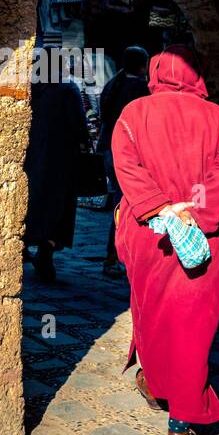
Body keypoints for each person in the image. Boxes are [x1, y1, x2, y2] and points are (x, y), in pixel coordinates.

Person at [111, 45, 219, 435]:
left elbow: (126, 165)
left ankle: (155, 383)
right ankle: (179, 428)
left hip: (149, 233)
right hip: (200, 238)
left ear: (155, 73)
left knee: (150, 311)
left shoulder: (133, 114)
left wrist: (160, 208)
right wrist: (194, 214)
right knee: (193, 327)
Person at [24, 70, 91, 284]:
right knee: (57, 206)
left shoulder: (30, 90)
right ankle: (46, 252)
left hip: (33, 156)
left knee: (32, 201)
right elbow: (79, 123)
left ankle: (23, 245)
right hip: (62, 158)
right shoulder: (67, 89)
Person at [96, 45, 150, 275]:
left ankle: (116, 255)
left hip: (109, 149)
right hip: (128, 154)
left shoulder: (113, 85)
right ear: (142, 66)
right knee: (126, 204)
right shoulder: (140, 88)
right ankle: (115, 256)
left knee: (121, 201)